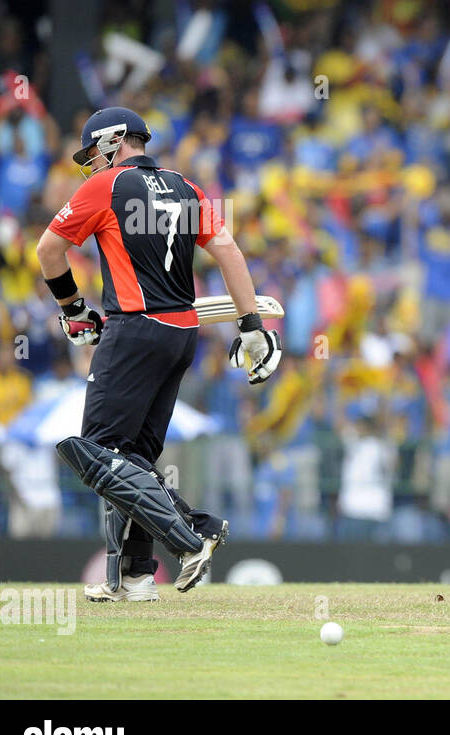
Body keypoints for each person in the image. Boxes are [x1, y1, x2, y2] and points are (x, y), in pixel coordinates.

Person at [36, 107, 281, 602]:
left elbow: (48, 251)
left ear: (113, 141)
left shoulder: (104, 188)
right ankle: (136, 576)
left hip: (134, 329)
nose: (91, 164)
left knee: (97, 452)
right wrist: (250, 324)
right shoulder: (186, 187)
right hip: (182, 333)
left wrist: (75, 309)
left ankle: (194, 533)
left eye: (93, 153)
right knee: (135, 458)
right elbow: (229, 249)